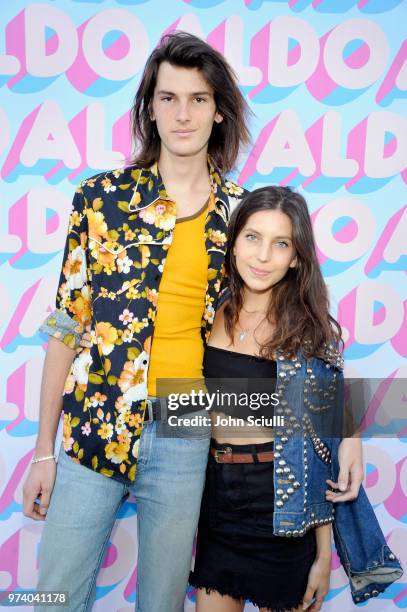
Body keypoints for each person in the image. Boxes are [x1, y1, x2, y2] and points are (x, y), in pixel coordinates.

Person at [23, 31, 250, 612]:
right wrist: (43, 450)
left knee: (162, 601)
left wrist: (335, 420)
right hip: (96, 418)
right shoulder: (100, 198)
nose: (182, 113)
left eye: (198, 98)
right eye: (168, 98)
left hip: (186, 425)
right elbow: (66, 327)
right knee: (52, 595)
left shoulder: (241, 212)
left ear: (218, 109)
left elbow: (267, 331)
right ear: (150, 108)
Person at [188, 186, 403, 611]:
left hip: (282, 510)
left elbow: (317, 450)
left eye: (280, 243)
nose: (263, 256)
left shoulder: (303, 331)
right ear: (232, 245)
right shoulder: (210, 311)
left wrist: (323, 557)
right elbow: (187, 405)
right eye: (252, 237)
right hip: (216, 502)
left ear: (296, 257)